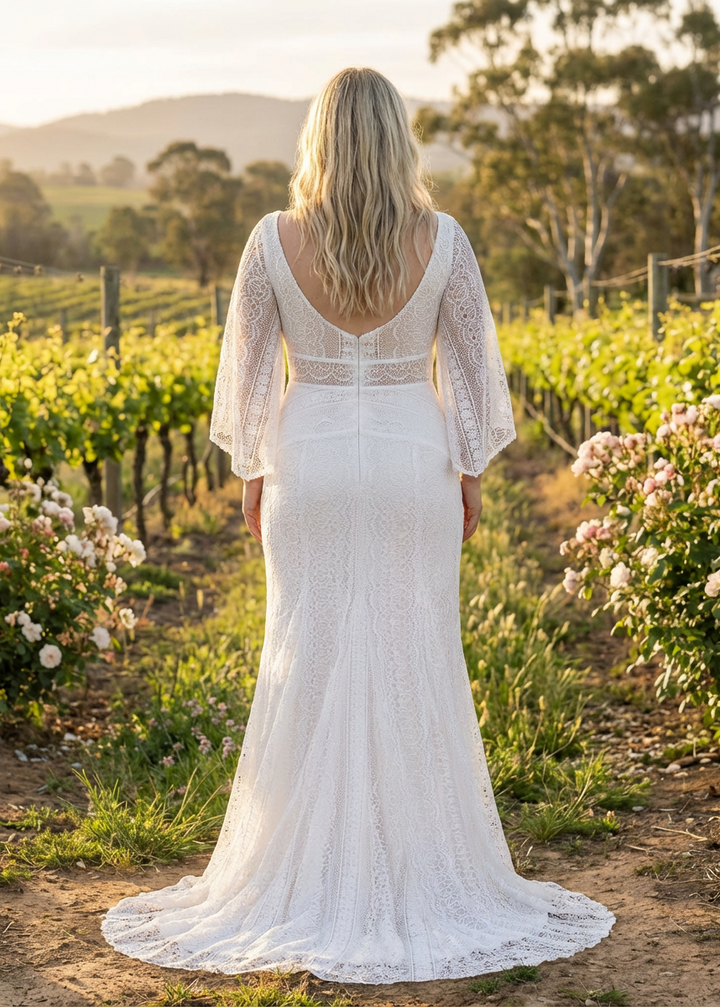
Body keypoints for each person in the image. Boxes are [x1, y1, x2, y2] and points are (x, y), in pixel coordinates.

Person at [102, 67, 614, 982]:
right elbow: (474, 372)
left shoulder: (272, 240)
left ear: (320, 139)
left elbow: (247, 380)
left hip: (312, 463)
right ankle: (413, 860)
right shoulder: (444, 240)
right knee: (416, 650)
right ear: (397, 140)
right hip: (413, 461)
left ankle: (301, 868)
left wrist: (256, 471)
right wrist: (466, 470)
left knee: (307, 653)